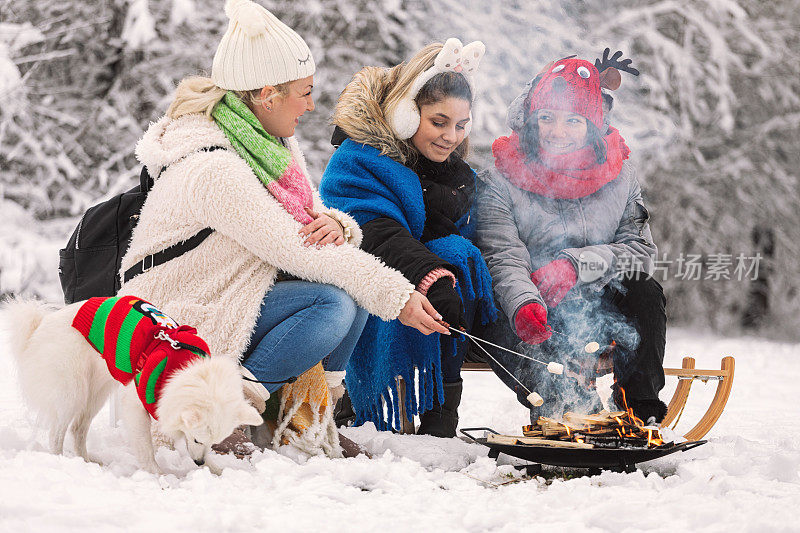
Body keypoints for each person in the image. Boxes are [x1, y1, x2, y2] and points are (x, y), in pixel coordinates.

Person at [118, 0, 449, 458]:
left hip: (234, 290)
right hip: (179, 311)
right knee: (333, 301)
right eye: (305, 91)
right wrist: (398, 296)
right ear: (268, 94)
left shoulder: (270, 146)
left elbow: (314, 224)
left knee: (350, 295)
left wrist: (338, 224)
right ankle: (230, 414)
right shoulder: (215, 167)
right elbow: (297, 250)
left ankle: (306, 418)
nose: (313, 105)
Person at [474, 53, 668, 424]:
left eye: (573, 121)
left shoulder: (621, 176)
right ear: (530, 120)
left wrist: (576, 266)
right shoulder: (499, 182)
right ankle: (564, 407)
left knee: (645, 291)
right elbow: (503, 257)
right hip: (538, 302)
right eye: (546, 118)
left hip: (601, 302)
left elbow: (640, 252)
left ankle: (638, 407)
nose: (557, 132)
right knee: (498, 309)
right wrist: (524, 305)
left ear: (592, 125)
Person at [319, 39, 497, 438]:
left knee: (463, 254)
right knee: (451, 258)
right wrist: (431, 274)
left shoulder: (456, 176)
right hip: (372, 292)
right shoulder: (360, 160)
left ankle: (443, 416)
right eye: (439, 122)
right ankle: (361, 400)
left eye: (461, 125)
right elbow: (375, 230)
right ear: (405, 112)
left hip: (448, 304)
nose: (451, 136)